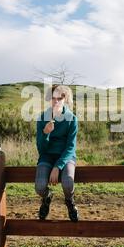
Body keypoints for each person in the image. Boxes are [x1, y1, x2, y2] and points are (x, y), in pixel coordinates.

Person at [35, 85, 79, 222]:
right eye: (53, 98)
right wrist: (45, 134)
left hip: (66, 157)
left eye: (59, 98)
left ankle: (70, 202)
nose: (56, 101)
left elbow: (71, 147)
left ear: (65, 99)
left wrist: (57, 167)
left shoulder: (72, 119)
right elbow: (41, 149)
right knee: (40, 186)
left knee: (68, 182)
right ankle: (47, 197)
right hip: (47, 156)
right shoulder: (43, 118)